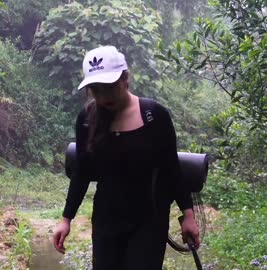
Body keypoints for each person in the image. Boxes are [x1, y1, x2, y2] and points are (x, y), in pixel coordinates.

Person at [53, 46, 200, 270]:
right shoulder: (87, 118)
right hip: (106, 219)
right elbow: (82, 172)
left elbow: (171, 168)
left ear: (125, 78)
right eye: (96, 89)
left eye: (109, 87)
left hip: (149, 219)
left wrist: (187, 215)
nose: (103, 96)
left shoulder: (154, 115)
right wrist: (66, 219)